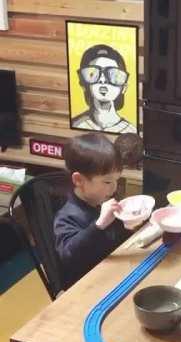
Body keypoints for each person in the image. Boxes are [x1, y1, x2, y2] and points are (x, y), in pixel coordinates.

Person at [54, 133, 134, 288]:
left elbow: (114, 240)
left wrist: (129, 224)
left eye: (116, 180)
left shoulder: (100, 202)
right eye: (107, 181)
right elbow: (68, 255)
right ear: (79, 180)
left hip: (112, 273)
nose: (114, 187)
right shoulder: (67, 216)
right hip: (86, 287)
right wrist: (98, 225)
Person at [71, 44, 137, 134]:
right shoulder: (77, 124)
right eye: (93, 74)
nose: (103, 80)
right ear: (84, 84)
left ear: (124, 87)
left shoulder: (131, 131)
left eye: (114, 75)